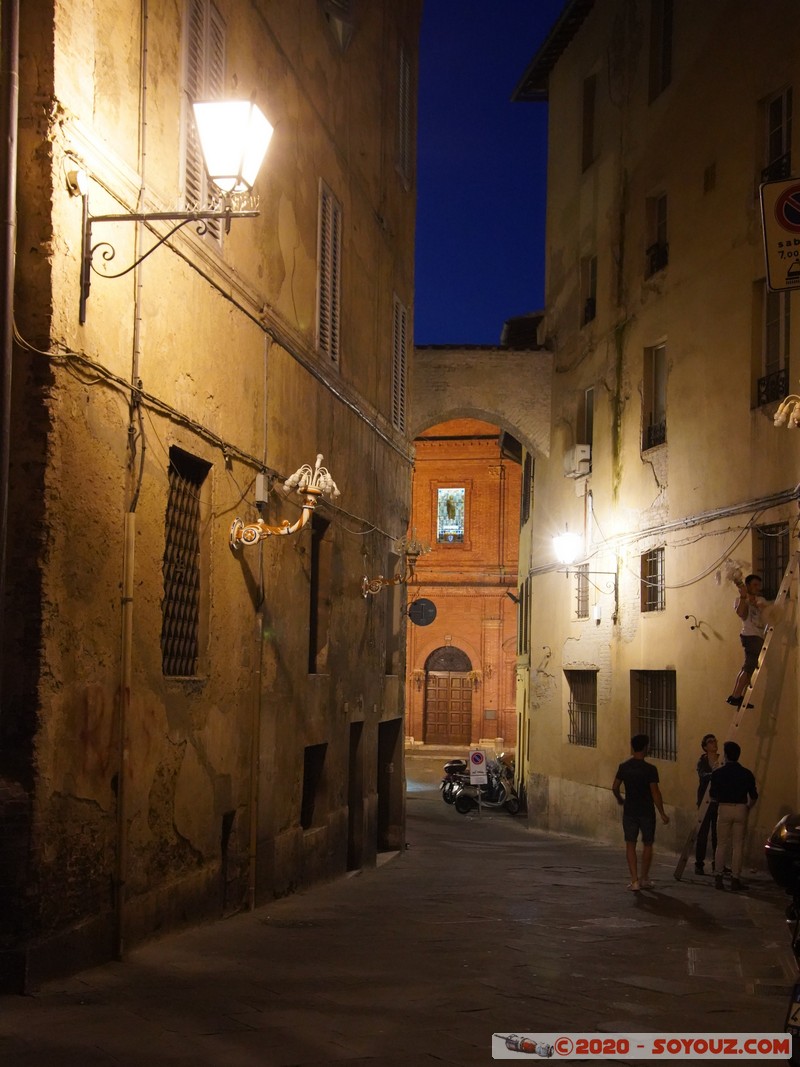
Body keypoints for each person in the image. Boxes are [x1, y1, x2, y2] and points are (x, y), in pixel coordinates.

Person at [612, 734, 670, 891]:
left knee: (630, 844)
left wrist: (619, 799)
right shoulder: (650, 769)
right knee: (648, 844)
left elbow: (615, 787)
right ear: (645, 747)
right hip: (646, 811)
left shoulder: (624, 767)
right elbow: (655, 792)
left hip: (630, 810)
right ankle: (644, 877)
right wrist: (662, 813)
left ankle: (634, 880)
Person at [710, 740, 758, 891]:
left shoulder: (718, 773)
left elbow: (712, 796)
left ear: (726, 755)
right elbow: (754, 795)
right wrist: (748, 807)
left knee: (721, 844)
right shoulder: (747, 773)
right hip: (741, 808)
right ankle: (735, 879)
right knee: (738, 845)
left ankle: (718, 877)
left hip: (724, 808)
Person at [727, 574, 767, 708]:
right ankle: (736, 696)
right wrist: (744, 597)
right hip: (750, 636)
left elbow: (768, 613)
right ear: (748, 585)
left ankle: (737, 695)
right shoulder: (740, 600)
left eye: (758, 585)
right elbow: (741, 614)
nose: (757, 588)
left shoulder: (760, 599)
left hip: (758, 637)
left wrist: (758, 604)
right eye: (754, 585)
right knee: (749, 666)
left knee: (749, 668)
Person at [694, 733, 720, 875]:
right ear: (705, 746)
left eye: (715, 741)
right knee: (702, 834)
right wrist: (715, 773)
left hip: (718, 801)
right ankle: (699, 864)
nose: (714, 743)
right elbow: (703, 776)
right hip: (705, 801)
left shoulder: (721, 759)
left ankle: (718, 863)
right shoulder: (702, 762)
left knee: (718, 835)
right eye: (710, 742)